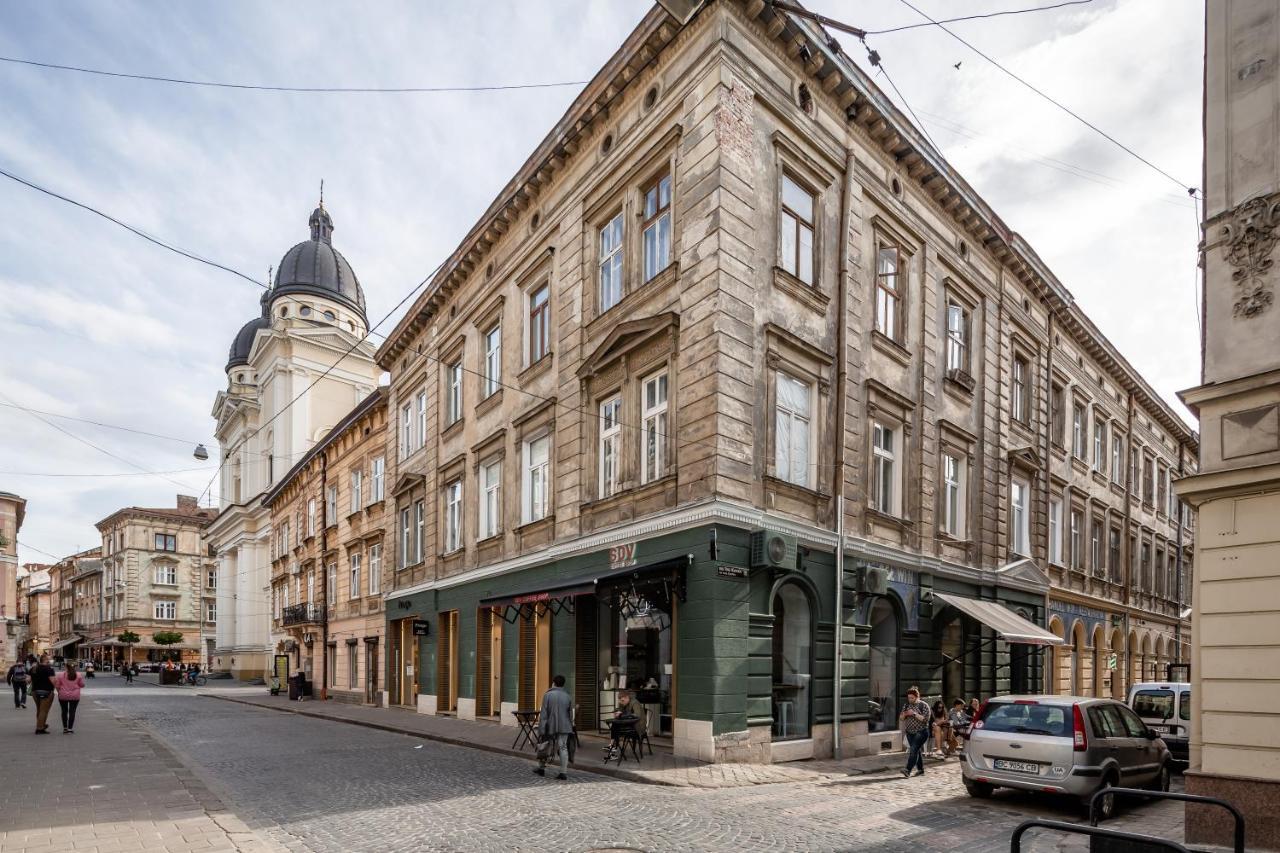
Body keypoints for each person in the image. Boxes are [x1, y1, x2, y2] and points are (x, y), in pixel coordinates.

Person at [532, 674, 574, 781]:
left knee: (545, 745)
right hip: (564, 725)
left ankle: (541, 768)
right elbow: (570, 715)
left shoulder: (548, 695)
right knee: (563, 747)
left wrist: (542, 729)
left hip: (549, 725)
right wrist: (571, 725)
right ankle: (563, 772)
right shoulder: (568, 696)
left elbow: (544, 714)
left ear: (553, 683)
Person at [899, 686, 931, 777]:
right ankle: (920, 770)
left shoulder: (923, 705)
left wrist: (913, 713)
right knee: (916, 750)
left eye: (912, 698)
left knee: (913, 750)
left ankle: (907, 770)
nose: (910, 699)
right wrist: (905, 714)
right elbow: (901, 718)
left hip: (921, 732)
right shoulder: (906, 705)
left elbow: (925, 719)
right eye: (908, 698)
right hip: (909, 732)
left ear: (917, 697)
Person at [604, 690, 642, 761]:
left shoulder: (635, 703)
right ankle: (612, 747)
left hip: (637, 726)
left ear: (627, 697)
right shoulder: (623, 703)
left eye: (622, 700)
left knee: (615, 726)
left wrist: (622, 715)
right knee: (615, 725)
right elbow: (619, 710)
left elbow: (637, 715)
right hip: (629, 724)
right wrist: (616, 711)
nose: (622, 702)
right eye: (620, 701)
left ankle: (612, 747)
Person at [54, 661, 85, 733]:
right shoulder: (78, 675)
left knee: (64, 711)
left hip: (63, 695)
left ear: (66, 666)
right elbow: (82, 685)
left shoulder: (60, 675)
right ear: (75, 667)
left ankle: (65, 728)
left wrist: (59, 692)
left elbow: (57, 686)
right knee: (72, 711)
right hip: (75, 696)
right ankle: (70, 728)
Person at [29, 654, 57, 734]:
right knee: (43, 711)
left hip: (35, 691)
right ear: (46, 660)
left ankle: (41, 725)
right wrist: (59, 690)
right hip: (46, 691)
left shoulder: (33, 669)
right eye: (49, 659)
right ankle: (39, 728)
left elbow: (28, 680)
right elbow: (53, 681)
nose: (50, 660)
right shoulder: (49, 669)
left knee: (39, 709)